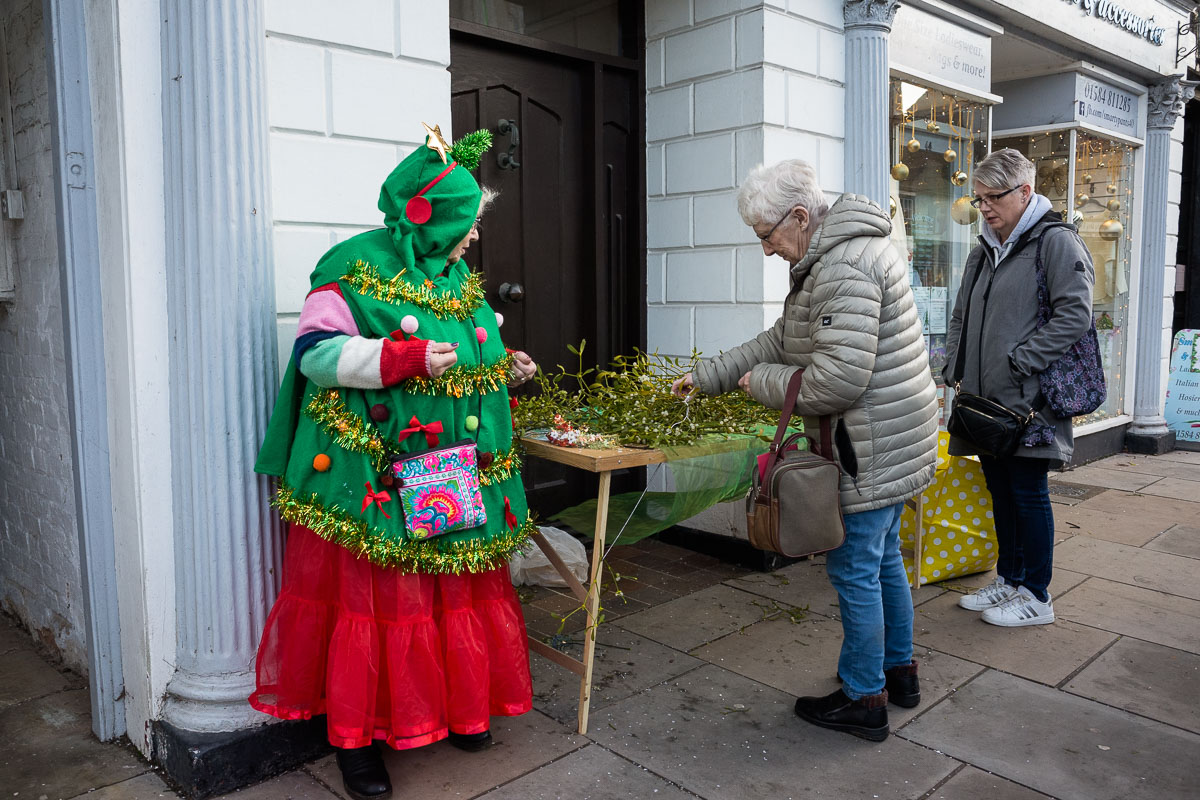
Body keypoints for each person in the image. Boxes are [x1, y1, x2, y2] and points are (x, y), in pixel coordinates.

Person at [250, 127, 538, 800]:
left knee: (447, 590)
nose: (473, 236)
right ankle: (357, 744)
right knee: (379, 600)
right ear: (427, 216)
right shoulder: (351, 267)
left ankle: (457, 711)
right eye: (467, 222)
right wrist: (396, 359)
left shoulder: (455, 280)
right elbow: (315, 354)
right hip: (373, 472)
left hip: (447, 470)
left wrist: (503, 362)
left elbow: (466, 350)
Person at [672, 159, 939, 742]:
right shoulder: (835, 256)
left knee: (855, 570)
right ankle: (900, 675)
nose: (767, 250)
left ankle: (865, 697)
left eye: (767, 236)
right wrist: (711, 374)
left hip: (868, 446)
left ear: (799, 216)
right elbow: (783, 338)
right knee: (883, 559)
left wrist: (758, 383)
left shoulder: (844, 266)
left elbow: (836, 380)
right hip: (888, 439)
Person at [946, 148, 1094, 627]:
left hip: (1030, 401)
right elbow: (960, 316)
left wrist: (1021, 361)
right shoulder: (982, 248)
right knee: (999, 489)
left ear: (1024, 192)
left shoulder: (1055, 242)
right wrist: (954, 365)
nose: (984, 207)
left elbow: (1076, 314)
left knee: (1028, 492)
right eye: (979, 198)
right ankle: (1008, 580)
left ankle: (1038, 594)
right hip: (985, 399)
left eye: (994, 197)